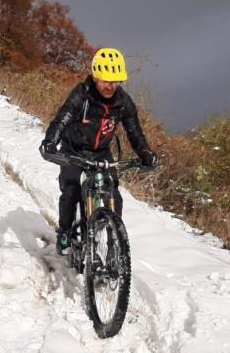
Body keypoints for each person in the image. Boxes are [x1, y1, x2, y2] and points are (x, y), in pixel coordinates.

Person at [39, 47, 157, 253]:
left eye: (115, 81)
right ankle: (65, 232)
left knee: (114, 195)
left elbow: (134, 131)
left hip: (101, 153)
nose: (110, 86)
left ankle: (114, 242)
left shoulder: (123, 102)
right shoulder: (82, 95)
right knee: (71, 191)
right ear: (95, 77)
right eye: (105, 81)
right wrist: (50, 142)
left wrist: (145, 153)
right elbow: (63, 118)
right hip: (73, 150)